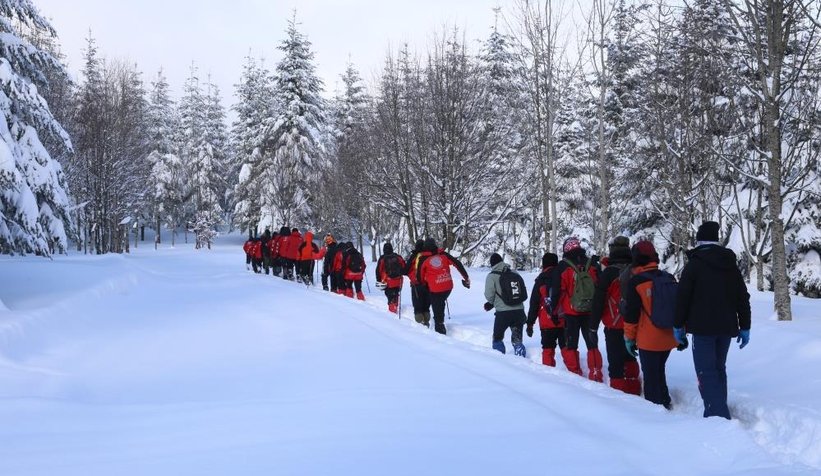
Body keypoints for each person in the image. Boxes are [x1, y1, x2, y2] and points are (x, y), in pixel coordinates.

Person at [674, 221, 751, 419]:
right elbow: (742, 297)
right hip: (726, 328)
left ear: (699, 240)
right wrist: (745, 326)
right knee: (718, 369)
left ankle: (717, 416)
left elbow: (682, 298)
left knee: (706, 371)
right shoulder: (730, 265)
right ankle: (718, 407)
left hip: (702, 329)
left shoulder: (694, 265)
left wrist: (677, 325)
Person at [624, 240, 678, 409]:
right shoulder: (668, 278)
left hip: (649, 338)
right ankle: (665, 400)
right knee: (659, 370)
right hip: (669, 336)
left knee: (651, 376)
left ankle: (655, 412)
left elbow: (631, 314)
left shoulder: (636, 282)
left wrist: (629, 338)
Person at [591, 236, 642, 395]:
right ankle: (634, 390)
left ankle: (619, 399)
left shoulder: (609, 273)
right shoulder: (636, 269)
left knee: (615, 361)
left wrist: (592, 326)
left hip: (613, 324)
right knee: (630, 356)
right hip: (635, 322)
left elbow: (598, 301)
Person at [550, 237, 603, 381]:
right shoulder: (592, 264)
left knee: (571, 344)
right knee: (592, 343)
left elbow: (557, 293)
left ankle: (575, 375)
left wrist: (554, 311)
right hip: (590, 311)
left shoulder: (562, 266)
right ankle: (596, 372)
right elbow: (600, 288)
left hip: (571, 312)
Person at [415, 238, 470, 335]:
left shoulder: (423, 258)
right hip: (448, 286)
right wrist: (466, 277)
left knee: (437, 307)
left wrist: (425, 283)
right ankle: (439, 322)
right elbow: (457, 263)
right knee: (440, 303)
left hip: (435, 288)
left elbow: (419, 277)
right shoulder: (443, 254)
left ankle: (440, 332)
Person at [526, 252, 570, 367]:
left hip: (547, 321)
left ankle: (549, 376)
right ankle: (576, 374)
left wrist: (530, 323)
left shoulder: (541, 280)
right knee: (567, 349)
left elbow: (534, 304)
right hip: (564, 318)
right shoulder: (563, 276)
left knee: (548, 350)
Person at [484, 253, 527, 356]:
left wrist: (491, 303)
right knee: (517, 340)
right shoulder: (515, 273)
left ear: (492, 264)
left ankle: (501, 362)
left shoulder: (492, 276)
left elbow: (489, 295)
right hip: (519, 311)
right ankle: (521, 360)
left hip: (503, 314)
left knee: (497, 338)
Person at [405, 240, 431, 327]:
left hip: (416, 283)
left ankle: (420, 324)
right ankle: (426, 319)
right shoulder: (429, 255)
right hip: (427, 283)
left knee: (417, 303)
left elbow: (406, 269)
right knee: (426, 303)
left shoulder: (414, 256)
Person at [376, 243, 406, 314]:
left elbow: (378, 270)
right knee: (396, 293)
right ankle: (395, 304)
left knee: (390, 295)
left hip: (388, 281)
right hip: (398, 280)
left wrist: (378, 280)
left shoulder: (383, 258)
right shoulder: (398, 257)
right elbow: (404, 266)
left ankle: (392, 313)